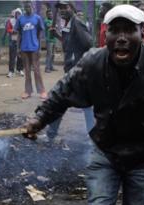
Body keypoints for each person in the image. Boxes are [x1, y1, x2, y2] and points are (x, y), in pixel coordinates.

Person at [23, 4, 144, 205]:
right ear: (106, 34)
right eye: (115, 30)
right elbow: (63, 91)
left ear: (142, 32)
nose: (121, 37)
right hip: (106, 153)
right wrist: (40, 118)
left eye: (129, 30)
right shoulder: (92, 62)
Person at [45, 1, 94, 143]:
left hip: (77, 73)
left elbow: (88, 44)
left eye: (65, 7)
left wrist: (77, 62)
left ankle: (51, 134)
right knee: (86, 106)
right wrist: (58, 36)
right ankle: (93, 137)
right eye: (60, 8)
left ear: (72, 9)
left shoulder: (76, 23)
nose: (62, 11)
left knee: (59, 101)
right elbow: (69, 45)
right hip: (73, 72)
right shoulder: (68, 25)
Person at [15, 1, 47, 100]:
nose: (27, 9)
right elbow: (19, 35)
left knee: (37, 70)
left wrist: (39, 48)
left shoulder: (37, 18)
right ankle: (28, 91)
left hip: (34, 48)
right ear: (24, 8)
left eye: (29, 7)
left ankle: (42, 91)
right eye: (26, 7)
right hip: (24, 48)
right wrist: (18, 48)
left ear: (32, 7)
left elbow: (39, 34)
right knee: (27, 71)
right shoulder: (20, 19)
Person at [6, 8, 24, 78]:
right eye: (16, 13)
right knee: (12, 56)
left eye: (19, 13)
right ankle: (11, 71)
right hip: (13, 41)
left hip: (21, 41)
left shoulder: (22, 21)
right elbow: (8, 29)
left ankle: (20, 69)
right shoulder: (11, 21)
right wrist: (12, 31)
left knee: (20, 56)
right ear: (15, 14)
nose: (17, 15)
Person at [44, 9, 56, 73]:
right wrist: (54, 26)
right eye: (49, 14)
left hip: (54, 40)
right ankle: (47, 68)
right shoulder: (46, 21)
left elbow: (55, 27)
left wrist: (54, 26)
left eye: (51, 14)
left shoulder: (53, 21)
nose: (50, 15)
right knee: (49, 54)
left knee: (53, 54)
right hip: (49, 40)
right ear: (46, 15)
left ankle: (51, 66)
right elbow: (50, 26)